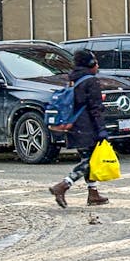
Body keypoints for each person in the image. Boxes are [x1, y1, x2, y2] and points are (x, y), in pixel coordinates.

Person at [48, 50, 111, 208]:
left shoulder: (73, 79)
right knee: (89, 162)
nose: (97, 65)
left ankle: (93, 193)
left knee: (87, 158)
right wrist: (101, 130)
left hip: (74, 125)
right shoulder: (91, 81)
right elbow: (96, 109)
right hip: (87, 126)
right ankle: (62, 186)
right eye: (95, 62)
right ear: (89, 64)